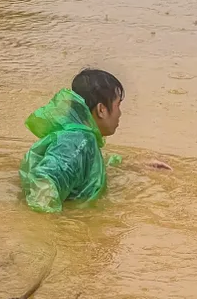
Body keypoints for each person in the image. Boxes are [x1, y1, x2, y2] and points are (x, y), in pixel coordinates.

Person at [20, 69, 124, 213]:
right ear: (101, 110)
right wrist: (56, 228)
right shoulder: (80, 141)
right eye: (118, 105)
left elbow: (83, 163)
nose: (120, 113)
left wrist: (135, 165)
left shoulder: (81, 138)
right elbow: (44, 181)